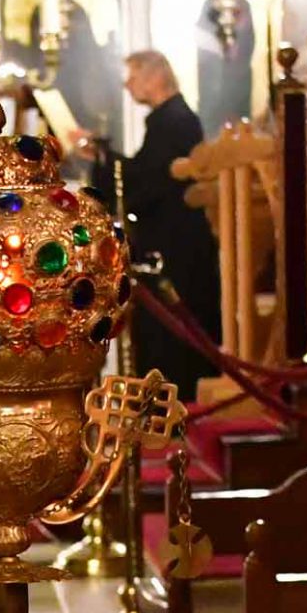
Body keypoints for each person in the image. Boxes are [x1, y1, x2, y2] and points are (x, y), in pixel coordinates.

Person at [108, 50, 220, 400]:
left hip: (177, 245)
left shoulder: (173, 121)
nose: (127, 84)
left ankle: (174, 402)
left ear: (156, 77)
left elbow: (149, 182)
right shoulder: (168, 119)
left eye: (133, 75)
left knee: (173, 337)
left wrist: (105, 162)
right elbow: (146, 172)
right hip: (175, 239)